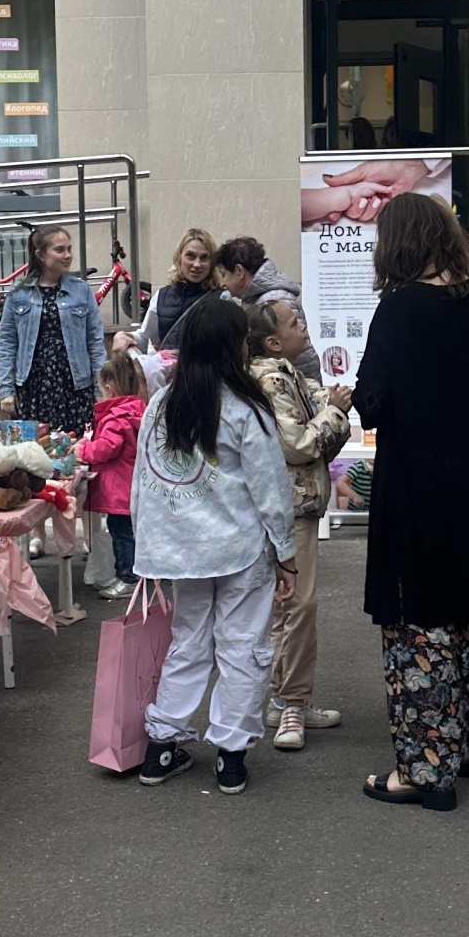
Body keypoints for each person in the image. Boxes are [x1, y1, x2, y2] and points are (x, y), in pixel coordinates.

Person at [354, 196, 469, 810]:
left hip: (415, 490)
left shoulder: (399, 310)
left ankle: (428, 770)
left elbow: (371, 403)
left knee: (419, 625)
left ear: (396, 244)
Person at [131, 295, 296, 797]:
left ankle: (162, 745)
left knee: (188, 643)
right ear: (234, 346)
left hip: (182, 553)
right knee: (243, 647)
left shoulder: (162, 403)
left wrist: (148, 551)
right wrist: (285, 551)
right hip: (241, 549)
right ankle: (231, 754)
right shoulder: (246, 406)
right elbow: (270, 487)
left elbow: (145, 484)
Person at [246, 295, 352, 751]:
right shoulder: (272, 379)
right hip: (292, 507)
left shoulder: (287, 374)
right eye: (294, 322)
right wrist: (335, 410)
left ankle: (282, 696)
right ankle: (291, 701)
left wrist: (330, 411)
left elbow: (319, 436)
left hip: (286, 505)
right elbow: (302, 444)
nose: (303, 327)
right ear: (273, 340)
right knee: (298, 605)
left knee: (285, 605)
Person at [0, 223, 107, 435]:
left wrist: (100, 387)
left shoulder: (81, 290)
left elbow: (95, 342)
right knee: (35, 452)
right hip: (33, 385)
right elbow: (8, 343)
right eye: (60, 250)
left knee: (76, 450)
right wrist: (6, 390)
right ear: (40, 254)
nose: (67, 255)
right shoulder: (18, 293)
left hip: (75, 385)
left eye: (69, 249)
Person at [77, 347, 147, 598]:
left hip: (119, 490)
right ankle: (129, 575)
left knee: (122, 534)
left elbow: (105, 449)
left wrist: (84, 449)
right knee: (127, 533)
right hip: (131, 486)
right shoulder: (136, 410)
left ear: (110, 388)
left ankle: (128, 578)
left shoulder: (116, 417)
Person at [213, 236, 318, 381]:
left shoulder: (274, 299)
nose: (223, 283)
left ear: (239, 271)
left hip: (290, 385)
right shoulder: (259, 297)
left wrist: (306, 391)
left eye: (224, 274)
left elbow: (298, 349)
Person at [137, 227, 217, 352]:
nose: (197, 264)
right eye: (190, 256)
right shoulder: (161, 296)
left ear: (212, 262)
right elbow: (144, 338)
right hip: (171, 371)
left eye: (204, 257)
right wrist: (126, 338)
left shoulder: (222, 298)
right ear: (179, 257)